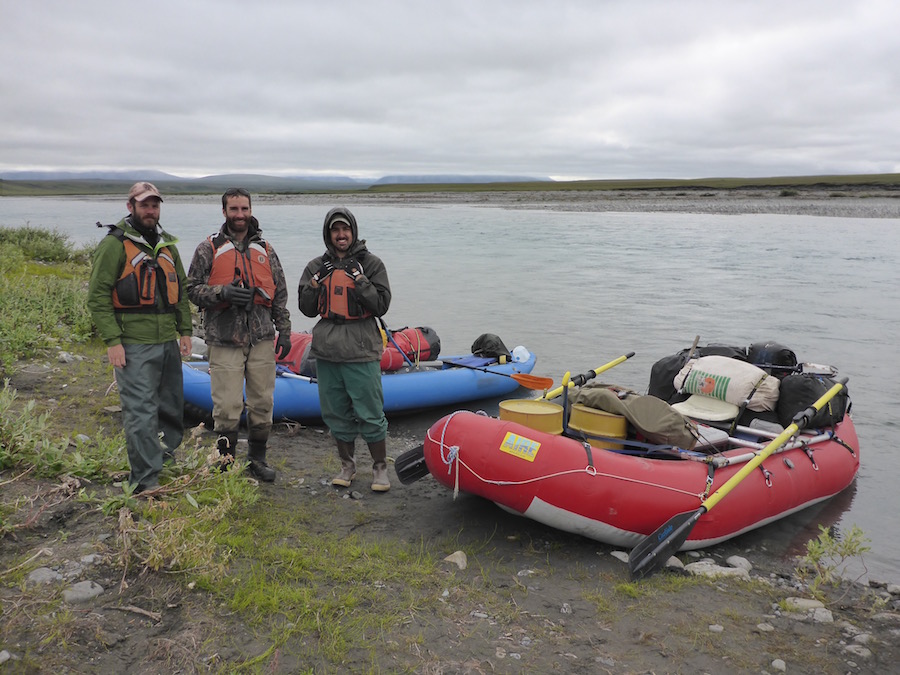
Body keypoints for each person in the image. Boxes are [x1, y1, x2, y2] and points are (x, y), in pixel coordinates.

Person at [87, 182, 193, 494]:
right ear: (130, 206)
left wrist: (185, 330)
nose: (151, 210)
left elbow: (181, 289)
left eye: (155, 205)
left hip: (166, 340)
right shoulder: (114, 245)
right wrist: (112, 341)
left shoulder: (166, 244)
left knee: (172, 406)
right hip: (133, 343)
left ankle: (165, 459)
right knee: (141, 411)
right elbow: (97, 298)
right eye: (144, 204)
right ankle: (145, 480)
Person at [186, 188, 291, 482]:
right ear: (224, 212)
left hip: (261, 337)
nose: (240, 214)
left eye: (244, 208)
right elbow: (191, 289)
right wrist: (222, 292)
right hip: (224, 339)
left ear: (251, 210)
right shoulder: (208, 248)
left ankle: (257, 459)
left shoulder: (266, 250)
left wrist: (284, 331)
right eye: (234, 209)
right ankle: (224, 461)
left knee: (262, 403)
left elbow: (279, 294)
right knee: (227, 406)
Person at [298, 207, 393, 491]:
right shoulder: (316, 265)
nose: (341, 235)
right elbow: (306, 308)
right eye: (335, 230)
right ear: (329, 234)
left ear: (353, 232)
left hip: (361, 346)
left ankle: (379, 469)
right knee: (335, 412)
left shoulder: (372, 264)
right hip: (327, 348)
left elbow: (381, 305)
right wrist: (315, 284)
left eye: (345, 230)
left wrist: (361, 281)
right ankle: (347, 465)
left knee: (370, 411)